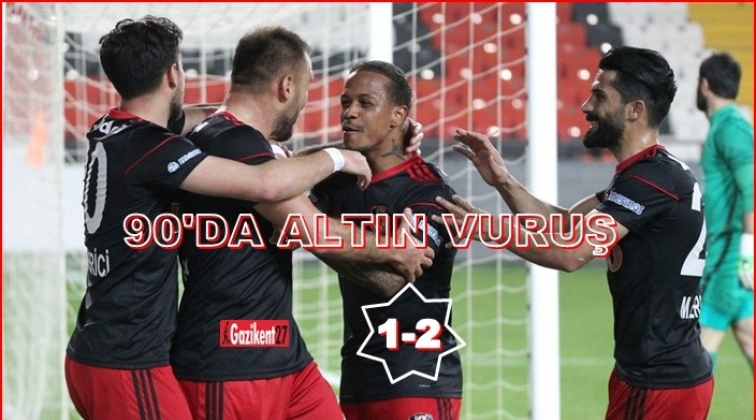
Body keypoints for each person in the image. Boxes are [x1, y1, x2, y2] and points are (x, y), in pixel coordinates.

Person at [65, 16, 375, 420]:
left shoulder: (112, 128)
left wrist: (243, 109)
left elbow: (197, 117)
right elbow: (265, 183)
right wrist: (337, 156)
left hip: (99, 344)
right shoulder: (153, 147)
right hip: (128, 359)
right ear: (173, 74)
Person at [436, 47, 713, 419]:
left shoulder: (650, 180)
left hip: (660, 380)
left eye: (599, 95)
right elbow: (566, 224)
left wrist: (486, 228)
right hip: (664, 372)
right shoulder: (651, 173)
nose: (586, 106)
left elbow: (570, 253)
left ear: (635, 110)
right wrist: (503, 181)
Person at [170, 28, 434, 420]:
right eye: (308, 87)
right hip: (229, 361)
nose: (307, 99)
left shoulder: (237, 140)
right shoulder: (231, 141)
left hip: (283, 355)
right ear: (286, 85)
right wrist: (395, 249)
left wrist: (380, 141)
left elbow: (286, 162)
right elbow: (314, 230)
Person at [311, 61, 462, 420]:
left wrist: (312, 233)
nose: (349, 112)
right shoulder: (337, 181)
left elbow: (395, 280)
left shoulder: (428, 190)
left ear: (398, 116)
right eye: (345, 102)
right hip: (358, 372)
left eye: (365, 103)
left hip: (418, 377)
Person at [696, 52, 754, 372]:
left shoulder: (731, 127)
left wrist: (747, 250)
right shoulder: (727, 125)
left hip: (730, 256)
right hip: (733, 255)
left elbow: (752, 187)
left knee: (697, 351)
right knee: (749, 339)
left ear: (704, 84)